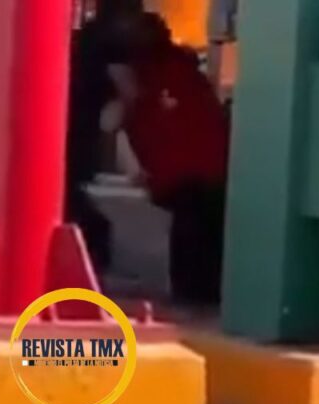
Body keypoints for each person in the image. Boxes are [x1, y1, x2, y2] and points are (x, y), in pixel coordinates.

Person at [120, 15, 230, 307]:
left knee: (189, 232)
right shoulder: (187, 75)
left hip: (183, 174)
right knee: (208, 232)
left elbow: (147, 130)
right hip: (213, 167)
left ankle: (190, 294)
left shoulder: (146, 79)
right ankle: (206, 293)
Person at [67, 0, 150, 274]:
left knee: (69, 191)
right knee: (72, 197)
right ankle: (91, 255)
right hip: (81, 127)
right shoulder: (111, 43)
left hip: (72, 120)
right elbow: (128, 89)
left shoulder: (88, 38)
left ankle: (90, 252)